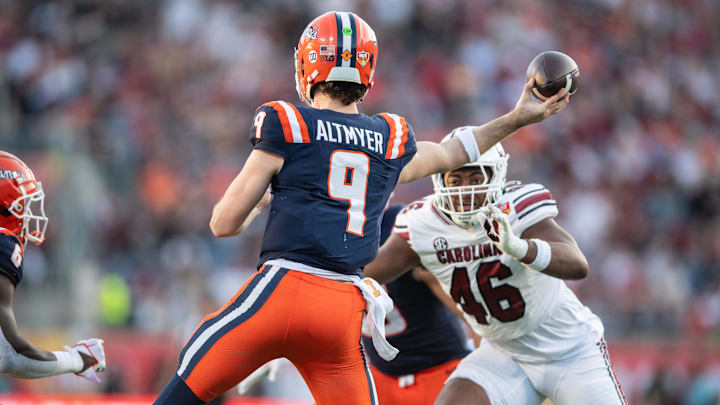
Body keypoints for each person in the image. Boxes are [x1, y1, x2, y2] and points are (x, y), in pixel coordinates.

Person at [154, 10, 569, 405]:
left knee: (185, 388)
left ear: (308, 65)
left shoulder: (288, 122)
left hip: (282, 290)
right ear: (367, 70)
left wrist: (262, 202)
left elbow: (223, 224)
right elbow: (450, 153)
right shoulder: (386, 138)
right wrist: (517, 117)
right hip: (342, 311)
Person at [364, 136, 627, 405]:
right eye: (456, 180)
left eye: (476, 179)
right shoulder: (422, 224)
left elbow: (577, 263)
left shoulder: (515, 207)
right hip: (503, 352)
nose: (465, 190)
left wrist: (521, 248)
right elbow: (367, 273)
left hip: (567, 348)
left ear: (496, 176)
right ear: (440, 182)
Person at [0, 151, 106, 381]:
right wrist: (77, 360)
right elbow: (10, 353)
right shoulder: (4, 242)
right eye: (22, 204)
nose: (27, 216)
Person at [362, 204, 474, 405]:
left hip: (440, 369)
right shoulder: (326, 230)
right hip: (379, 375)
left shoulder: (403, 225)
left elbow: (472, 315)